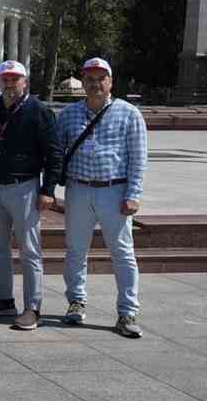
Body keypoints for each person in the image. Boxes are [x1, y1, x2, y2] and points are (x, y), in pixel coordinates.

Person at [57, 57, 148, 339]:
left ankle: (127, 311)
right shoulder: (69, 115)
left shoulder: (129, 113)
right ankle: (76, 301)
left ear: (111, 82)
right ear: (83, 82)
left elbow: (138, 158)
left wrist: (133, 194)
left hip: (114, 191)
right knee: (75, 250)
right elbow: (57, 152)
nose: (95, 83)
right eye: (90, 79)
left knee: (122, 253)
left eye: (101, 78)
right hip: (79, 189)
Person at [0, 61, 60, 329]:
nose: (9, 84)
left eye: (15, 79)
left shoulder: (39, 111)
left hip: (25, 188)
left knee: (29, 251)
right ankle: (4, 300)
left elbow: (54, 153)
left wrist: (48, 190)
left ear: (25, 82)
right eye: (5, 79)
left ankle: (33, 308)